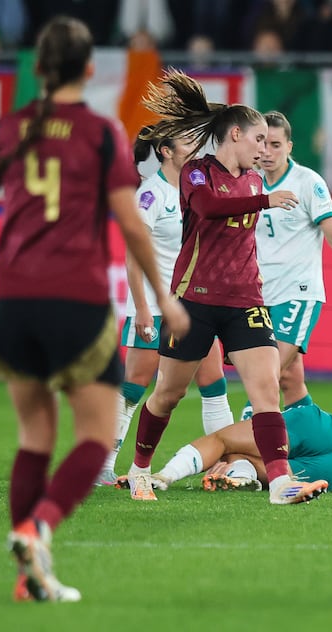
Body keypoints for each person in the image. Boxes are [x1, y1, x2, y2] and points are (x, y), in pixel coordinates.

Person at [0, 16, 189, 602]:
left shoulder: (7, 129)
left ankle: (29, 575)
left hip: (11, 297)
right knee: (92, 435)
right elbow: (131, 223)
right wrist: (163, 299)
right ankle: (39, 527)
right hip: (75, 300)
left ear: (37, 68)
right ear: (89, 69)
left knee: (35, 435)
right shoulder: (101, 133)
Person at [123, 69, 328, 505]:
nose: (263, 151)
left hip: (245, 302)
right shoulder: (196, 172)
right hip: (193, 301)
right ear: (236, 135)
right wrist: (265, 200)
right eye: (258, 140)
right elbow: (210, 208)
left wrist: (262, 199)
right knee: (168, 393)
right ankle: (140, 468)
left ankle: (280, 483)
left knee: (267, 389)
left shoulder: (254, 179)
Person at [96, 127, 235, 486]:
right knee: (134, 386)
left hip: (194, 304)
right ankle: (101, 464)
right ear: (165, 151)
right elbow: (132, 254)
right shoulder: (151, 194)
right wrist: (142, 308)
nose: (195, 147)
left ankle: (228, 463)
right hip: (156, 308)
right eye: (188, 141)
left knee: (214, 383)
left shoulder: (196, 188)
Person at [238, 110, 332, 420]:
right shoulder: (249, 183)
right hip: (260, 296)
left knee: (264, 375)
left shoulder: (308, 182)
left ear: (289, 147)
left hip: (297, 293)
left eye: (275, 144)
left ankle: (241, 450)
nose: (267, 152)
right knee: (291, 380)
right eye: (262, 143)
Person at [151, 402, 332, 493]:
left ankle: (165, 475)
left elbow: (221, 441)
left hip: (312, 428)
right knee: (279, 476)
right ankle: (241, 476)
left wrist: (222, 458)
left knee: (223, 441)